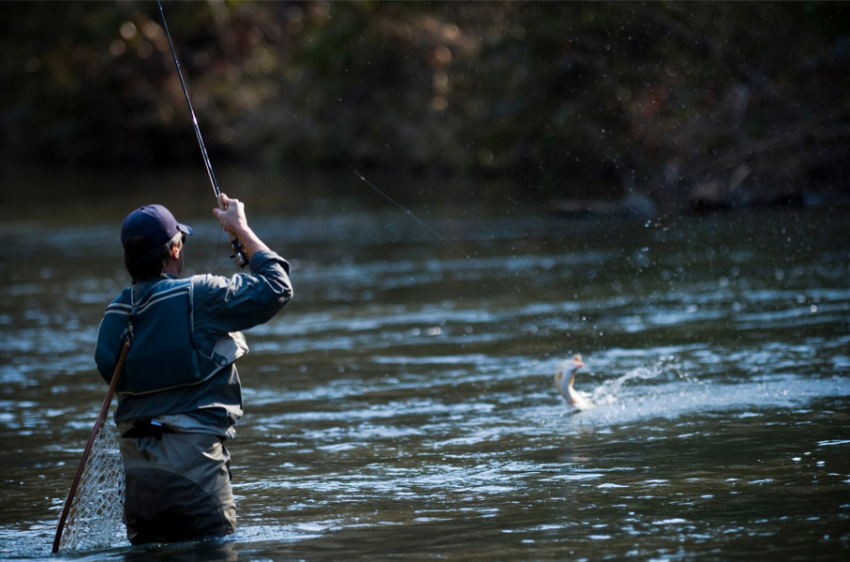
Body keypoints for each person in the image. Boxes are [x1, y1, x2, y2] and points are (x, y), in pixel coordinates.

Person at [94, 194, 292, 544]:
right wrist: (241, 230)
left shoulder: (113, 318)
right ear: (174, 250)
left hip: (140, 488)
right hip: (195, 481)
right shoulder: (199, 295)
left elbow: (112, 368)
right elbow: (277, 288)